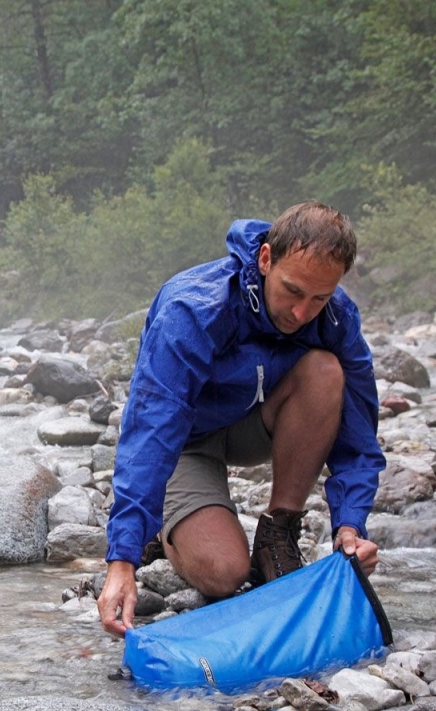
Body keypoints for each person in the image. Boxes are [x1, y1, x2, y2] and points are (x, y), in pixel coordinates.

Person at [98, 201, 385, 638]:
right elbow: (152, 430)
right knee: (224, 573)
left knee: (325, 372)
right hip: (186, 441)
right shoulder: (193, 308)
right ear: (266, 259)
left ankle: (278, 534)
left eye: (319, 298)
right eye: (292, 291)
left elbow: (360, 433)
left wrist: (350, 526)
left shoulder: (336, 314)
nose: (301, 313)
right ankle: (162, 533)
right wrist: (122, 560)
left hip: (257, 422)